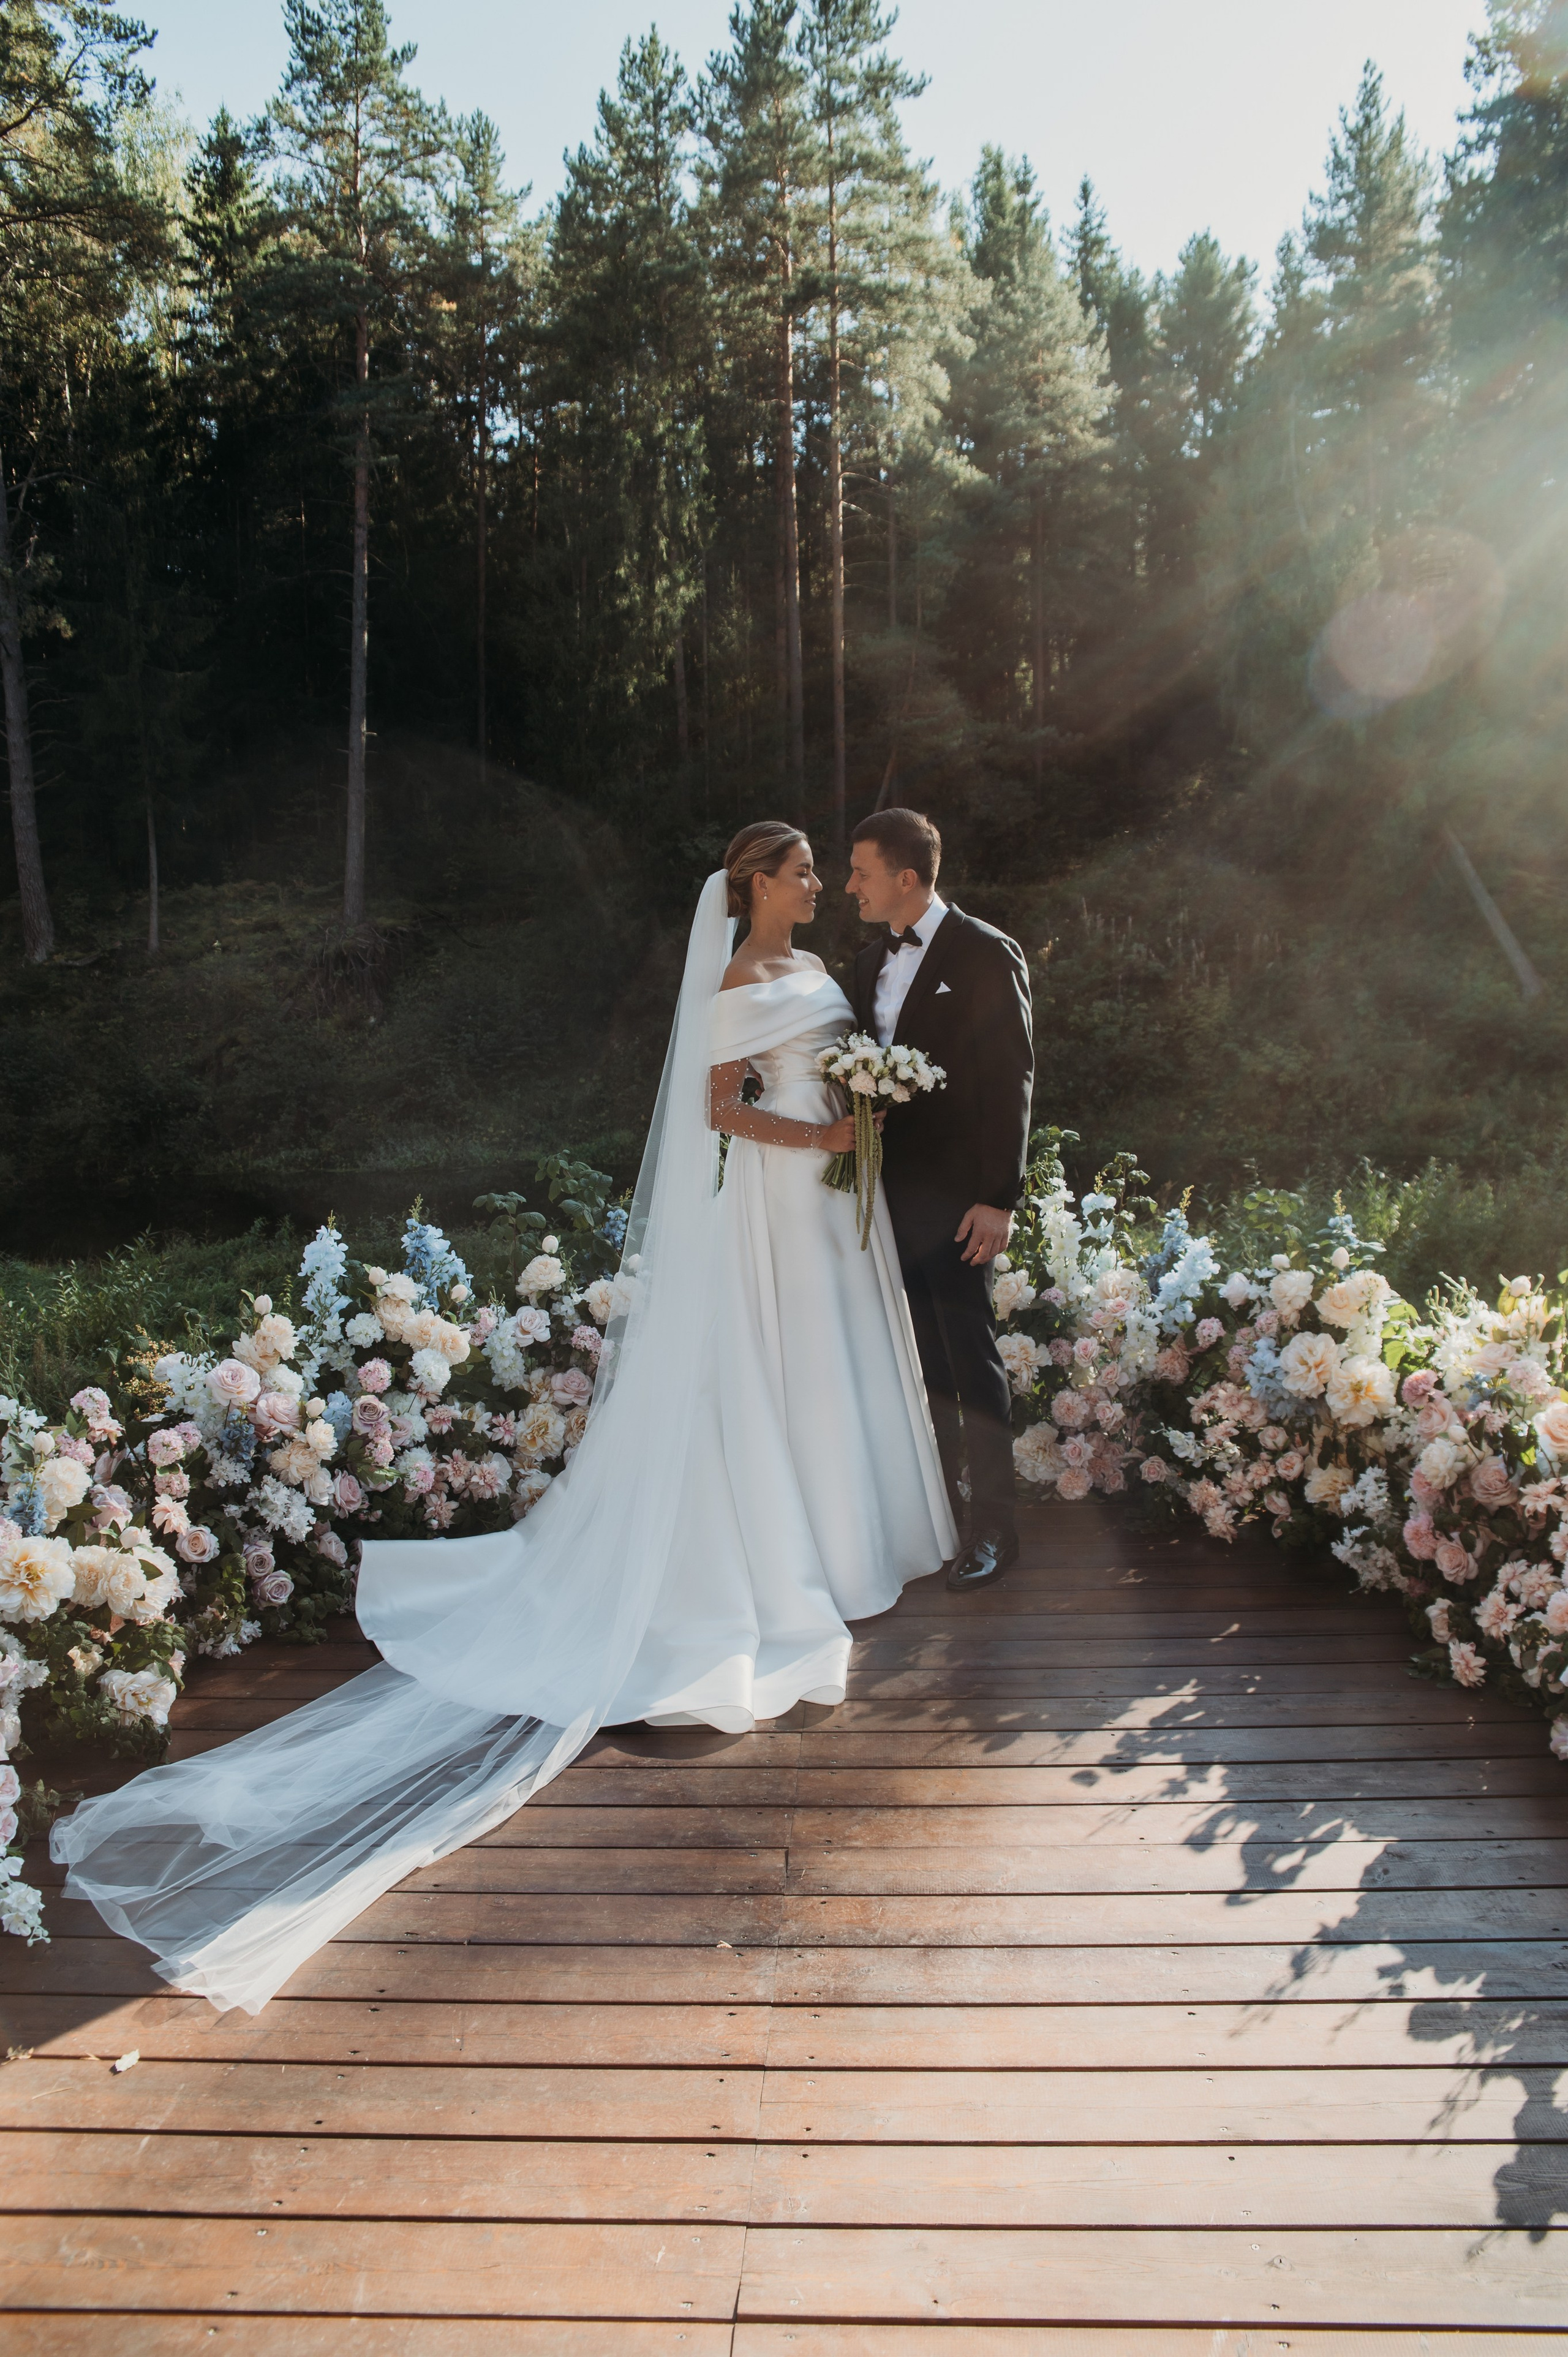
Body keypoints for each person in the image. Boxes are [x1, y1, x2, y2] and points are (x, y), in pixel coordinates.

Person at [52, 824, 956, 2015]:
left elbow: (829, 1066)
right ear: (754, 885)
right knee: (752, 1384)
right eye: (795, 871)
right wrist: (824, 1132)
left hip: (821, 1215)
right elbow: (721, 1109)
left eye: (811, 873)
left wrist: (858, 1117)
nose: (811, 885)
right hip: (769, 1209)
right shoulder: (739, 975)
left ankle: (836, 1538)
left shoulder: (810, 973)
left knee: (818, 1378)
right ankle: (765, 1558)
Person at [846, 808, 1034, 1591]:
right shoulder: (863, 964)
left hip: (958, 1200)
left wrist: (998, 1198)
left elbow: (1011, 1079)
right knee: (919, 1360)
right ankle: (936, 1514)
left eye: (860, 871)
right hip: (881, 1193)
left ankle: (995, 1523)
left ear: (907, 877)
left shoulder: (986, 953)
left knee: (969, 1356)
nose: (849, 885)